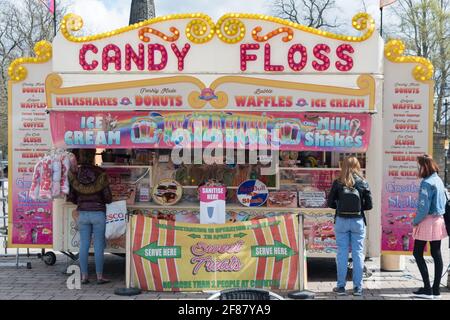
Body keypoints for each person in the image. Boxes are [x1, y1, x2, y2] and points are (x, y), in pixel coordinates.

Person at [327, 156, 373, 296]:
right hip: (358, 221)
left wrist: (339, 206)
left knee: (342, 253)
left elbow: (330, 203)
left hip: (341, 220)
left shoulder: (338, 182)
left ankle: (341, 287)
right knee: (358, 254)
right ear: (357, 166)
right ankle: (357, 288)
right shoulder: (363, 182)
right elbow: (369, 205)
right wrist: (359, 207)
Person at [67, 149, 112, 285]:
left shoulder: (76, 174)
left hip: (83, 214)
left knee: (84, 245)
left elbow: (72, 197)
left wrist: (82, 202)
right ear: (93, 157)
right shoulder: (101, 173)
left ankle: (84, 276)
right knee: (99, 245)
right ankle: (99, 277)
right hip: (98, 213)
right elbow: (108, 198)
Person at [412, 154, 448, 299]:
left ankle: (427, 289)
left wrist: (415, 221)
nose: (418, 168)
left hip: (427, 220)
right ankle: (436, 290)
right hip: (439, 219)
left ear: (424, 166)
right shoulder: (438, 180)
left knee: (417, 253)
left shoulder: (426, 183)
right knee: (436, 253)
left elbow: (423, 207)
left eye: (419, 165)